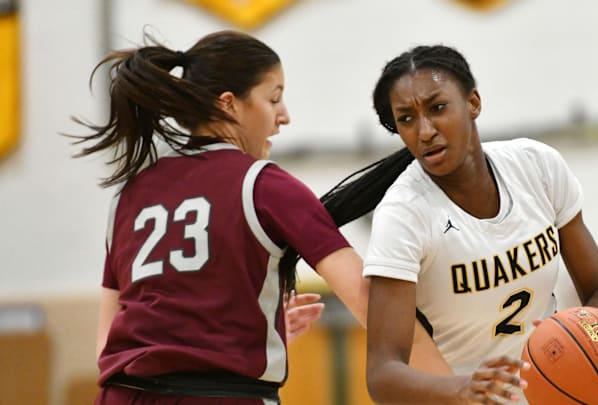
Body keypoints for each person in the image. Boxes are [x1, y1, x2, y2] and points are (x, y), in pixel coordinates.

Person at [69, 30, 377, 405]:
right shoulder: (265, 185)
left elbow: (107, 345)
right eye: (274, 98)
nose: (285, 116)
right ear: (229, 104)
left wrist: (241, 338)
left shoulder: (128, 195)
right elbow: (368, 301)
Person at [317, 45, 598, 404]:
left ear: (473, 102)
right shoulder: (404, 214)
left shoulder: (537, 167)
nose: (425, 131)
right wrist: (461, 387)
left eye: (437, 108)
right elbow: (383, 375)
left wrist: (589, 338)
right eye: (407, 119)